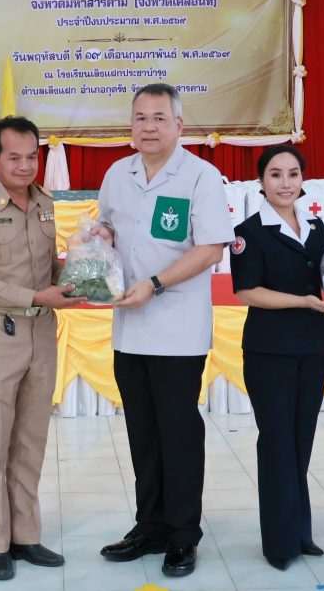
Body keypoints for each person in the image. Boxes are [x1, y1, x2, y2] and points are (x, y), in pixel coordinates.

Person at [93, 84, 234, 578]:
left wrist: (155, 284)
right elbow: (107, 225)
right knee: (142, 430)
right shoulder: (118, 173)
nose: (149, 127)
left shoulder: (200, 176)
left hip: (177, 328)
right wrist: (102, 236)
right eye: (140, 118)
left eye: (159, 118)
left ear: (179, 125)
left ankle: (183, 534)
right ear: (130, 125)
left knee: (178, 433)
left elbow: (211, 248)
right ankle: (149, 525)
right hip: (129, 327)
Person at [0, 116, 85, 581]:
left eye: (32, 157)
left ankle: (26, 535)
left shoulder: (46, 203)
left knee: (31, 441)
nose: (26, 166)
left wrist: (82, 270)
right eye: (14, 157)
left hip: (42, 335)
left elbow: (50, 267)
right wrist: (35, 296)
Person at [229, 145, 324, 571]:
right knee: (276, 443)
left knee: (301, 440)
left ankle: (300, 532)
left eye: (293, 173)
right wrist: (302, 301)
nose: (285, 182)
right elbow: (247, 291)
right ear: (261, 181)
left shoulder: (316, 226)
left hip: (312, 346)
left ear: (303, 179)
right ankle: (279, 542)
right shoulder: (248, 232)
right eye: (275, 174)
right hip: (269, 349)